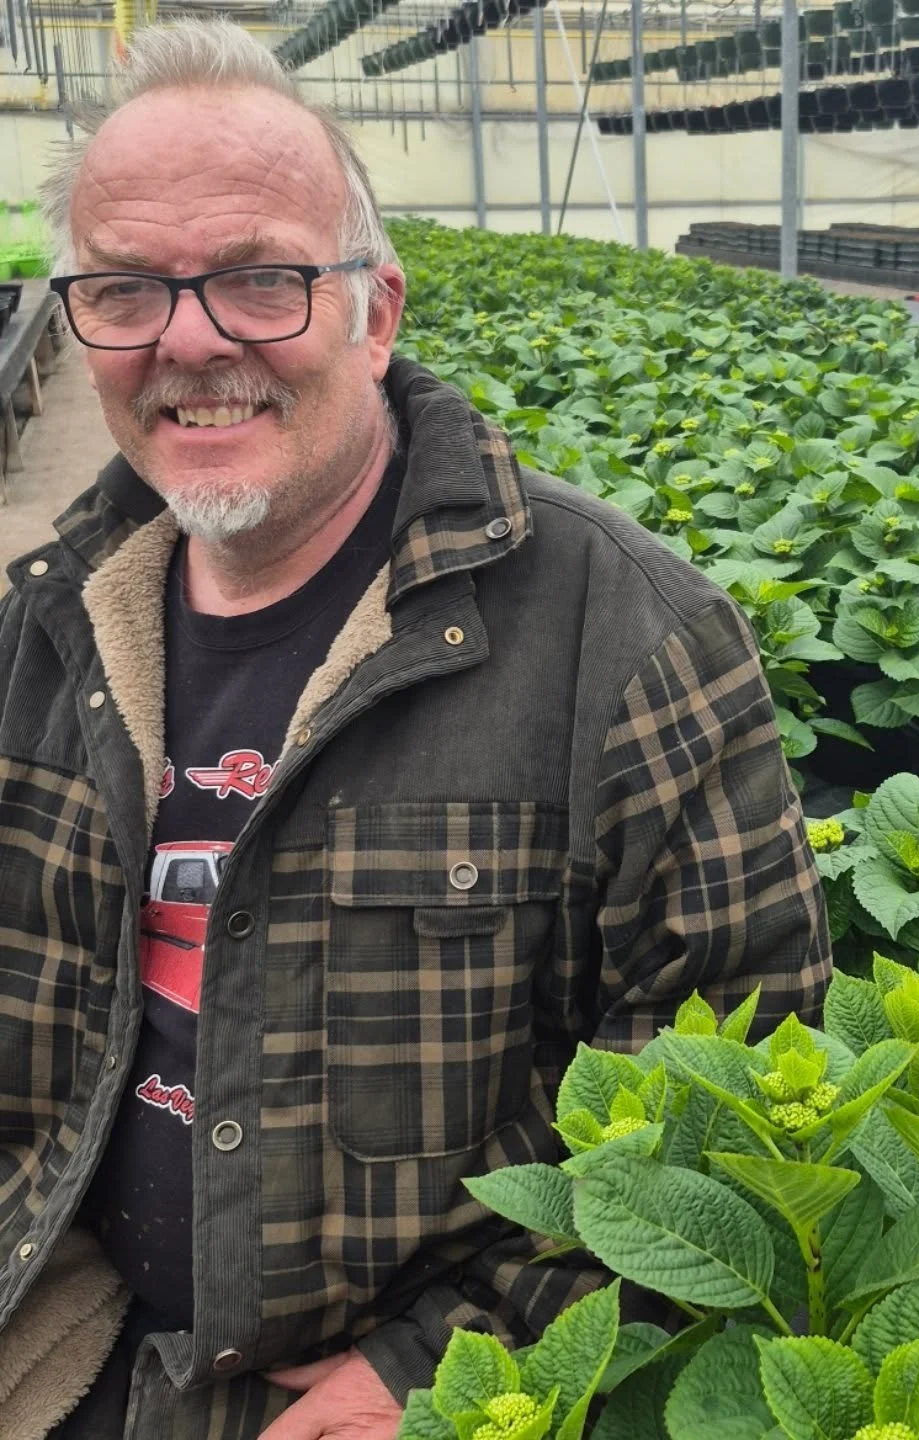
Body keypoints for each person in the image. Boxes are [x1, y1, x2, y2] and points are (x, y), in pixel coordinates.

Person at [0, 19, 830, 1438]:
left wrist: (466, 1354)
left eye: (261, 280)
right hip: (62, 1339)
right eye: (126, 290)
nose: (189, 341)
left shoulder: (623, 634)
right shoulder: (41, 627)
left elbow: (738, 1079)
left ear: (377, 312)